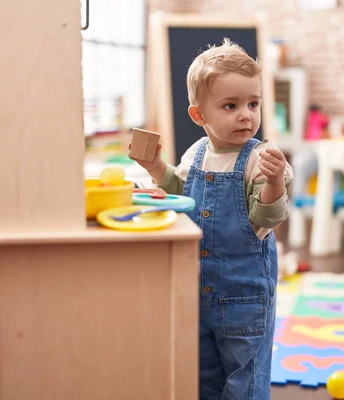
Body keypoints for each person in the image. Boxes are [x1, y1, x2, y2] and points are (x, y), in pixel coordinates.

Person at [130, 38, 292, 399]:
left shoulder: (260, 159)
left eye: (253, 103)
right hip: (199, 289)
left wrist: (276, 180)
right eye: (230, 105)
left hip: (244, 296)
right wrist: (155, 166)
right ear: (199, 115)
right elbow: (180, 188)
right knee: (203, 373)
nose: (246, 114)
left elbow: (268, 218)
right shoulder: (198, 152)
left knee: (243, 378)